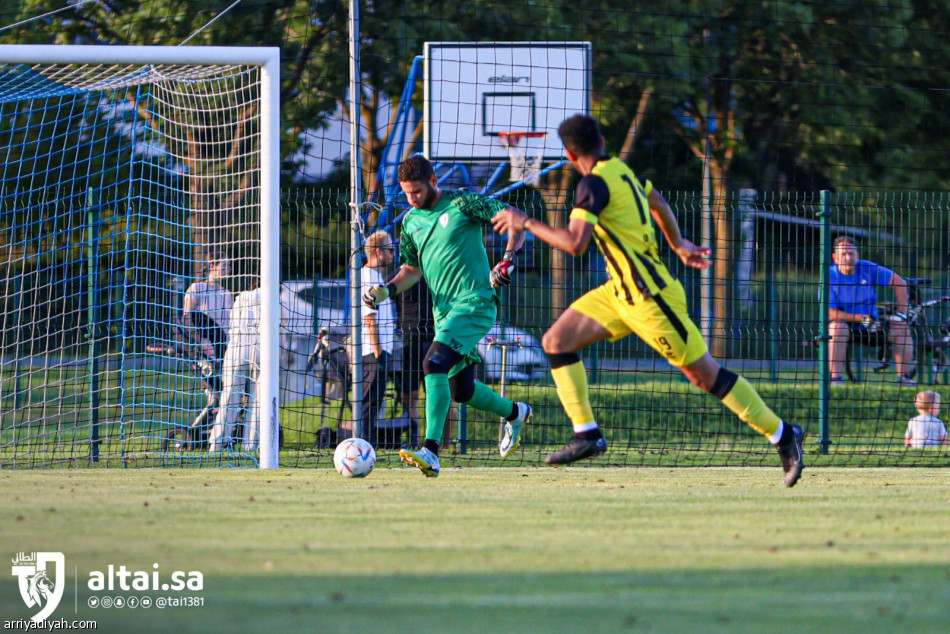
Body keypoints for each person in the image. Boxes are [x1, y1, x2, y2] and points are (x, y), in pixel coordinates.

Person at [491, 114, 805, 487]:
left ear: (570, 155)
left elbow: (575, 243)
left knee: (704, 375)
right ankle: (586, 434)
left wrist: (525, 222)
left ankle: (783, 434)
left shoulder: (593, 184)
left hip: (651, 299)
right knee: (557, 341)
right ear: (601, 141)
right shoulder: (620, 170)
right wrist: (678, 242)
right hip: (617, 292)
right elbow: (656, 199)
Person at [363, 155, 532, 477]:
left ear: (433, 182)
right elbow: (411, 270)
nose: (412, 199)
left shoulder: (463, 203)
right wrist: (387, 290)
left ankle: (430, 451)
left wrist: (507, 260)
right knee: (461, 390)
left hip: (475, 302)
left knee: (433, 363)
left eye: (416, 191)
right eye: (406, 193)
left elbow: (517, 218)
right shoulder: (410, 222)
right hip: (444, 313)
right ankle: (515, 412)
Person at [828, 235, 914, 386]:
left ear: (858, 255)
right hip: (847, 324)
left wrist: (902, 315)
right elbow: (830, 313)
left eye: (851, 253)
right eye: (844, 254)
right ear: (835, 257)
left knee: (902, 329)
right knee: (836, 328)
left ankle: (903, 380)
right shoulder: (829, 276)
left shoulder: (867, 268)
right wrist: (862, 319)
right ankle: (836, 380)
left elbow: (900, 283)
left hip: (872, 325)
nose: (848, 258)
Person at [209, 277, 261, 452]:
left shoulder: (239, 299)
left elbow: (231, 324)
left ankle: (217, 442)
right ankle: (250, 444)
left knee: (229, 397)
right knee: (258, 400)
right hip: (262, 349)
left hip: (236, 349)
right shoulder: (275, 300)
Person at [359, 230, 398, 446]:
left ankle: (368, 445)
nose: (393, 254)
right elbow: (369, 318)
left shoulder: (378, 277)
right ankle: (365, 445)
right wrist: (377, 351)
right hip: (372, 351)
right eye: (390, 249)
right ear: (377, 251)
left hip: (381, 350)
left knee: (375, 403)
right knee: (369, 403)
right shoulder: (368, 277)